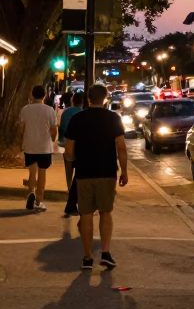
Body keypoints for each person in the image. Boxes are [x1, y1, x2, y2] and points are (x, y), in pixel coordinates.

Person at [64, 83, 128, 270]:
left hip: (83, 173)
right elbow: (121, 147)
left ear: (88, 98)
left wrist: (74, 160)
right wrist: (124, 171)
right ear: (106, 97)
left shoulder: (77, 119)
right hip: (107, 172)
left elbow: (68, 151)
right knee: (105, 212)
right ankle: (106, 253)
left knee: (85, 214)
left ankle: (86, 257)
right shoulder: (113, 118)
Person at [18, 85, 58, 212]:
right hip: (44, 146)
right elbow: (54, 129)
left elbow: (21, 128)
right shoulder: (49, 110)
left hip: (30, 145)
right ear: (45, 95)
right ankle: (39, 201)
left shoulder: (25, 109)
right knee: (42, 174)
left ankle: (31, 193)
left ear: (32, 95)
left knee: (32, 173)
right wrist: (53, 140)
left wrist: (21, 142)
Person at [57, 89, 85, 217]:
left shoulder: (66, 112)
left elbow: (62, 128)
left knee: (69, 170)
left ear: (73, 101)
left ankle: (70, 191)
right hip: (80, 146)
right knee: (79, 172)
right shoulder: (84, 113)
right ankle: (76, 197)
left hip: (66, 144)